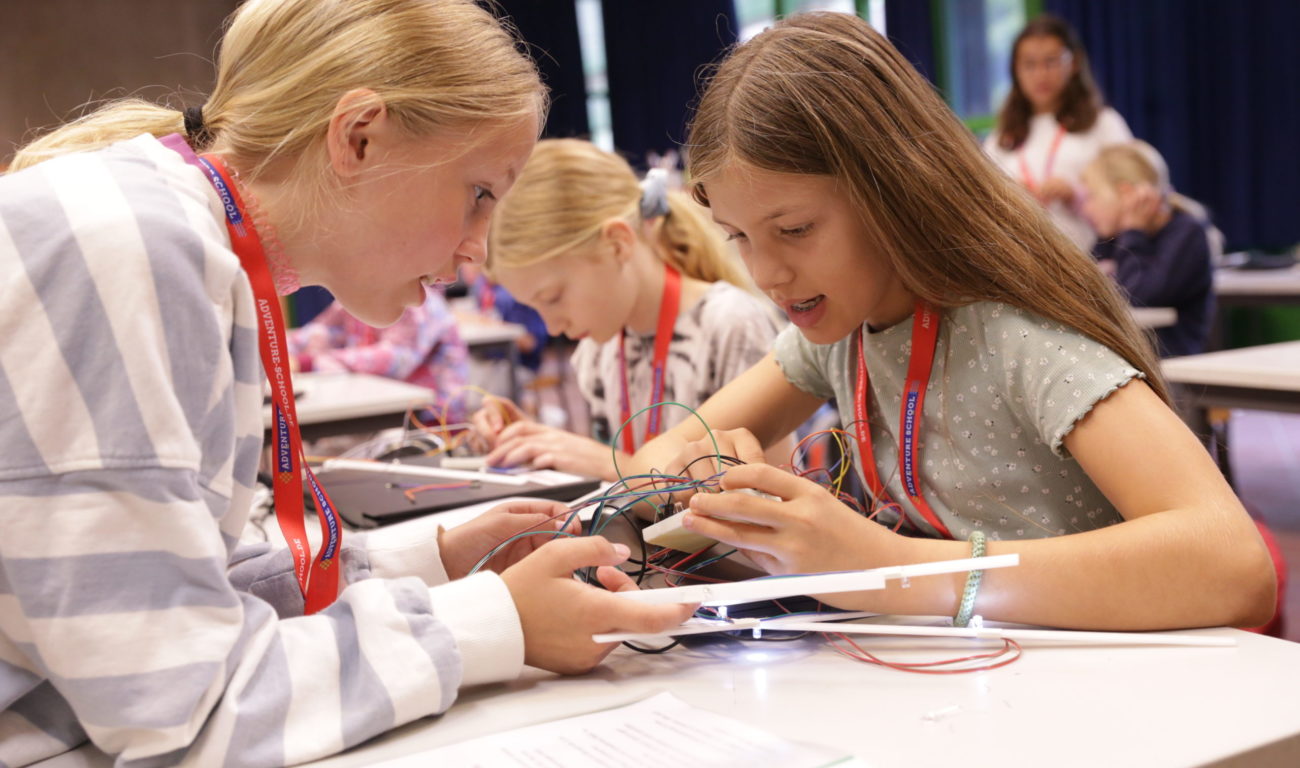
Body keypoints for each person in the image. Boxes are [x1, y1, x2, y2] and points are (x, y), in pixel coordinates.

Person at [0, 1, 691, 765]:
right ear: (359, 137)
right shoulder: (128, 250)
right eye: (479, 193)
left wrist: (435, 563)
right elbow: (180, 713)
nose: (475, 251)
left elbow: (167, 601)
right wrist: (497, 624)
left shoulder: (163, 232)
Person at [625, 12, 1275, 633]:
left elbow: (1234, 565)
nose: (766, 273)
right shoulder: (841, 329)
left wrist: (888, 566)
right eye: (738, 236)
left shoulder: (1017, 335)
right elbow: (653, 460)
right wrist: (700, 471)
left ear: (894, 189)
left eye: (794, 230)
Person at [471, 138, 788, 481]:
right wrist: (536, 441)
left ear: (617, 244)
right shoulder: (597, 348)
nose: (551, 327)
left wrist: (613, 466)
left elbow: (768, 494)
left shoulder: (731, 324)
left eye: (553, 297)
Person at [984, 14, 1132, 252]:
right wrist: (1010, 199)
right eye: (1029, 64)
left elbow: (1132, 189)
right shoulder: (1000, 138)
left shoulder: (1104, 123)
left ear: (1073, 63)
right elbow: (983, 204)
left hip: (1095, 260)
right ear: (1015, 70)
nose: (1041, 74)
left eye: (1051, 61)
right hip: (1024, 262)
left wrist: (1078, 195)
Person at [1082, 141, 1216, 357]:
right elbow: (1085, 292)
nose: (1086, 208)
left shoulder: (1186, 233)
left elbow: (1137, 298)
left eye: (1091, 196)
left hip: (1170, 371)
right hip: (1124, 361)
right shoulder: (1111, 237)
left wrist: (1133, 231)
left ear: (1126, 193)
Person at [287, 287, 473, 421]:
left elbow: (395, 359)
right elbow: (322, 329)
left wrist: (310, 362)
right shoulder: (358, 293)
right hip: (381, 410)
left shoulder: (417, 300)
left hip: (431, 419)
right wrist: (277, 352)